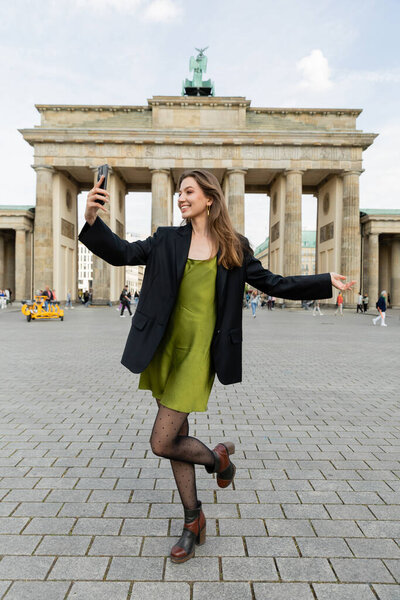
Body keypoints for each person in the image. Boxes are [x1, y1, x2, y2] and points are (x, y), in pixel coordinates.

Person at [79, 167, 355, 565]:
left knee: (162, 440)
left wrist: (324, 280)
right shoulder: (166, 239)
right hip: (163, 348)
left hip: (198, 356)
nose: (181, 197)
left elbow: (273, 283)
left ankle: (216, 459)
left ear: (209, 198)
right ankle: (195, 518)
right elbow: (123, 253)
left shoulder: (234, 247)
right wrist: (91, 219)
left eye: (188, 191)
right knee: (175, 441)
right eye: (178, 192)